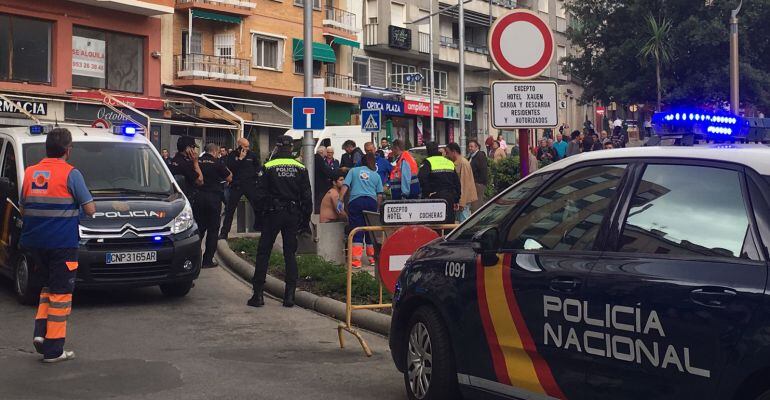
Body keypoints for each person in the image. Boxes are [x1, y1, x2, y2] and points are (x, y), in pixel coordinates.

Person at [22, 128, 95, 363]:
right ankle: (54, 350)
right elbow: (90, 209)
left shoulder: (31, 173)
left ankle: (41, 335)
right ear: (68, 150)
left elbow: (25, 206)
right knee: (61, 295)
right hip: (62, 244)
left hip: (34, 243)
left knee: (46, 289)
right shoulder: (71, 174)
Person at [248, 135, 312, 308]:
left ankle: (258, 295)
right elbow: (307, 198)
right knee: (290, 254)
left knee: (264, 253)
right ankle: (289, 296)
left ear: (277, 147)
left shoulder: (268, 166)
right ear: (291, 148)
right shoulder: (300, 167)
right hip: (292, 214)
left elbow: (258, 196)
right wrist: (305, 221)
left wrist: (260, 218)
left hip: (272, 214)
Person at [340, 153, 384, 268]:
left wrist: (340, 200)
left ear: (361, 162)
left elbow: (345, 186)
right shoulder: (376, 175)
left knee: (357, 230)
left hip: (356, 202)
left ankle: (356, 261)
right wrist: (377, 208)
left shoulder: (353, 171)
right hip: (371, 202)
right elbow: (379, 194)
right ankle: (372, 258)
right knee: (370, 230)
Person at [197, 143, 232, 268]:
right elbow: (229, 178)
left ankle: (195, 259)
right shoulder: (217, 163)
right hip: (213, 199)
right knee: (212, 230)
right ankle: (207, 260)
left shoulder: (198, 161)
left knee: (198, 230)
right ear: (215, 151)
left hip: (198, 198)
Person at [219, 138, 260, 239]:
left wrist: (255, 177)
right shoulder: (233, 155)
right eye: (245, 146)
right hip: (237, 185)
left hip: (249, 184)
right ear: (240, 145)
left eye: (248, 146)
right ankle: (224, 233)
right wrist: (240, 159)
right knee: (230, 210)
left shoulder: (252, 155)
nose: (247, 148)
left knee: (258, 206)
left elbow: (258, 167)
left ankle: (261, 228)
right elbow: (231, 168)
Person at [418, 142, 460, 222]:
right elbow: (457, 182)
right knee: (449, 224)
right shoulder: (449, 162)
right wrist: (457, 199)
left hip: (435, 197)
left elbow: (421, 178)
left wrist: (427, 193)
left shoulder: (428, 162)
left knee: (436, 223)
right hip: (449, 197)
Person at [445, 143, 476, 223]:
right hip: (460, 198)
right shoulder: (457, 163)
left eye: (448, 152)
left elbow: (464, 184)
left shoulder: (463, 163)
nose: (447, 155)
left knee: (464, 221)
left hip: (464, 199)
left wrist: (462, 202)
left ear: (454, 152)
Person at [467, 140, 488, 212]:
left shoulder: (480, 156)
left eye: (472, 146)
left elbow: (483, 170)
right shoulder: (471, 156)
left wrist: (479, 183)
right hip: (473, 183)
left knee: (476, 203)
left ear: (477, 147)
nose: (470, 148)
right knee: (477, 202)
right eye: (469, 146)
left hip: (478, 183)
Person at [313, 146, 334, 213]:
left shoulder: (315, 158)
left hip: (316, 184)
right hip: (319, 185)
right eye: (326, 151)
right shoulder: (319, 159)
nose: (327, 153)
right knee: (319, 202)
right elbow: (326, 171)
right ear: (322, 152)